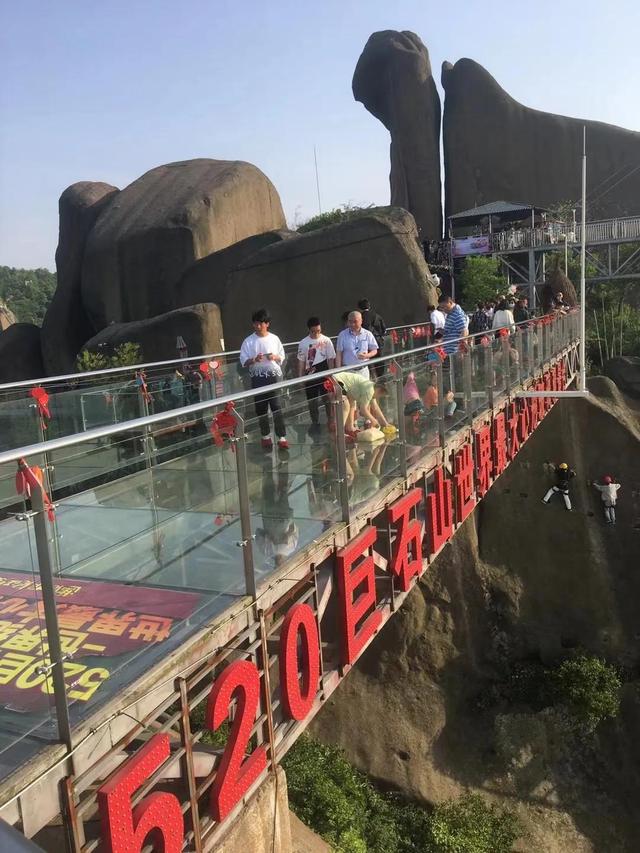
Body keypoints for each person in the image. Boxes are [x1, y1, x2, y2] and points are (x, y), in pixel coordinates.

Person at [239, 308, 288, 450]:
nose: (257, 326)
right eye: (255, 323)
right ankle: (265, 436)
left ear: (267, 324)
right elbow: (243, 361)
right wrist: (254, 359)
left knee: (276, 406)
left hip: (274, 376)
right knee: (260, 407)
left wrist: (274, 357)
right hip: (258, 378)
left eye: (260, 323)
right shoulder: (248, 341)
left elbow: (281, 356)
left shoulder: (274, 338)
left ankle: (282, 437)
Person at [297, 316, 336, 427]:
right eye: (313, 331)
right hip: (310, 374)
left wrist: (331, 375)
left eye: (318, 331)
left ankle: (331, 421)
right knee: (312, 402)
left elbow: (331, 358)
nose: (316, 333)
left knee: (327, 399)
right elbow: (301, 361)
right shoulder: (303, 342)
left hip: (324, 372)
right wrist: (300, 378)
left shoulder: (326, 340)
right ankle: (315, 423)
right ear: (309, 330)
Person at [333, 371, 391, 435]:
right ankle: (339, 433)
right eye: (380, 396)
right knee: (346, 406)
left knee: (352, 405)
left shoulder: (372, 388)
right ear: (379, 391)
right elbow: (363, 410)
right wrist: (373, 420)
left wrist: (385, 423)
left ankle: (350, 427)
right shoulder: (369, 390)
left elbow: (375, 408)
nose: (378, 397)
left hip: (345, 384)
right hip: (338, 381)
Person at [335, 311, 378, 380]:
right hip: (348, 371)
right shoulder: (342, 335)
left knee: (365, 391)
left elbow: (374, 350)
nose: (352, 324)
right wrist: (339, 372)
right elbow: (339, 353)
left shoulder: (367, 334)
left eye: (355, 321)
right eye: (350, 321)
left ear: (361, 321)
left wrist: (367, 355)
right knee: (350, 391)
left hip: (363, 371)